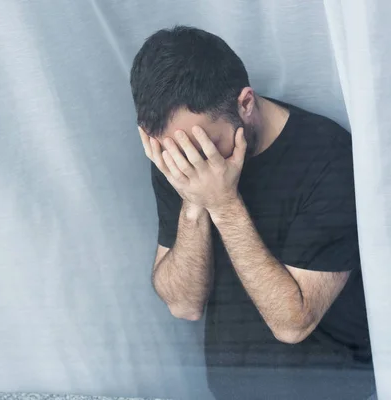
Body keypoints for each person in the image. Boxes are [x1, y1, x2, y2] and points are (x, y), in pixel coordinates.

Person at [130, 26, 375, 400]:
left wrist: (224, 204)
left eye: (204, 146)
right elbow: (184, 304)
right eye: (173, 152)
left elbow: (293, 324)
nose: (189, 162)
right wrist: (195, 200)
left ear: (245, 104)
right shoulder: (177, 154)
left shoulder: (328, 158)